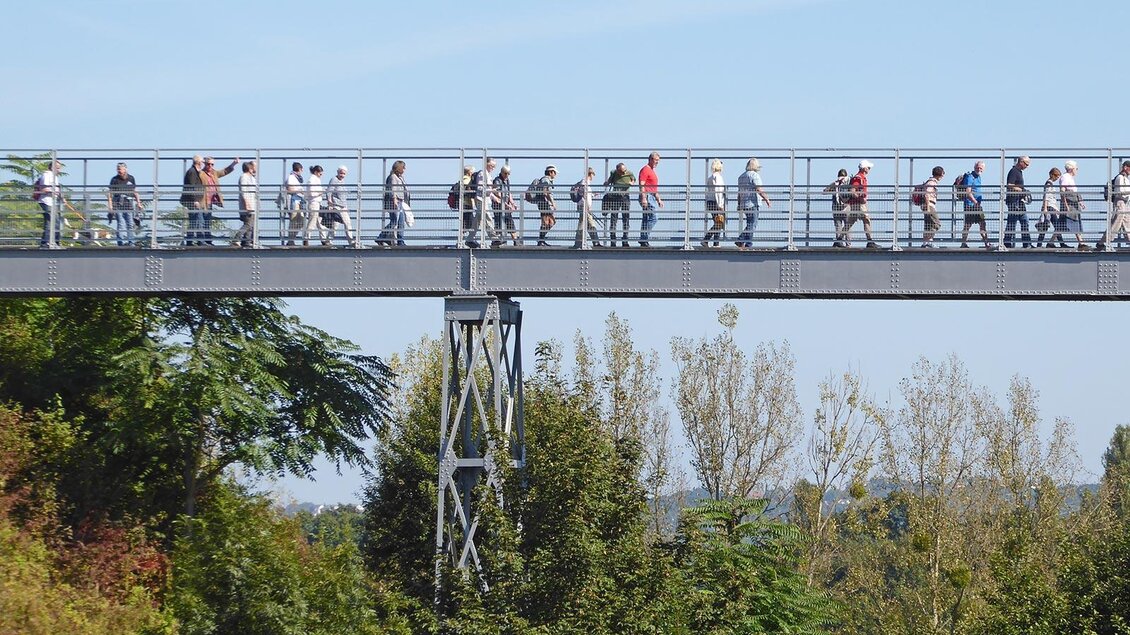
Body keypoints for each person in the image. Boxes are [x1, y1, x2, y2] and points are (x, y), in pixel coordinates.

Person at [37, 160, 79, 248]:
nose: (59, 170)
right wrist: (53, 192)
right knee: (51, 222)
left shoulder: (55, 177)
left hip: (53, 202)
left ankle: (54, 242)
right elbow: (44, 189)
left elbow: (56, 189)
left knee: (56, 222)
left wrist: (61, 197)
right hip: (46, 201)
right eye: (58, 168)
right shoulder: (46, 175)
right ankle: (46, 243)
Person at [199, 156, 238, 246]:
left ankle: (208, 241)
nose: (210, 166)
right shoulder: (201, 173)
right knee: (202, 221)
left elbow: (224, 171)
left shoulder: (214, 173)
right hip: (203, 200)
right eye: (208, 164)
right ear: (205, 164)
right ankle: (201, 241)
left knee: (207, 221)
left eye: (212, 164)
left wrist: (233, 164)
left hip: (210, 201)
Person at [841, 160, 878, 249]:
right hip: (859, 204)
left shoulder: (859, 177)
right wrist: (860, 198)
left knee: (850, 222)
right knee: (866, 219)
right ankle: (870, 241)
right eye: (868, 168)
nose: (869, 169)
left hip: (855, 204)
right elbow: (852, 191)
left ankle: (839, 239)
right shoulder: (859, 178)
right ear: (864, 168)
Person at [736, 157, 771, 249]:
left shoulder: (741, 176)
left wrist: (739, 204)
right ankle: (742, 241)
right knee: (752, 224)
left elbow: (739, 192)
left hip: (744, 203)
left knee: (750, 223)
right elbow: (759, 189)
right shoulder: (755, 175)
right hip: (752, 203)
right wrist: (766, 198)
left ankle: (746, 243)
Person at [106, 162, 142, 247]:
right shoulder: (114, 179)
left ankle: (131, 242)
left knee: (130, 223)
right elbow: (110, 193)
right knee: (120, 224)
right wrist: (110, 206)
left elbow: (135, 191)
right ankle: (120, 242)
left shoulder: (131, 178)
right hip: (117, 203)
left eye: (120, 169)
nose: (119, 171)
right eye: (118, 169)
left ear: (125, 169)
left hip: (128, 203)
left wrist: (139, 203)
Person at [1097, 160, 1130, 251]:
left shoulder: (1125, 178)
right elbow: (1120, 192)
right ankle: (1102, 242)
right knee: (1116, 223)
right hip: (1120, 202)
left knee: (1127, 223)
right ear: (1125, 167)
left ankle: (1102, 242)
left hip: (1125, 203)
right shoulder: (1120, 177)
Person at [958, 161, 991, 249]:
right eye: (977, 167)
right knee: (968, 224)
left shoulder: (978, 177)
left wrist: (977, 203)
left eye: (981, 168)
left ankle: (987, 243)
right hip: (970, 205)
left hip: (978, 206)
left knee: (982, 223)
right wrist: (975, 202)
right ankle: (963, 243)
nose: (979, 169)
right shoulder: (970, 177)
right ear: (974, 167)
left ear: (983, 169)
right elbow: (968, 192)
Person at [1059, 160, 1090, 251]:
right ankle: (1081, 242)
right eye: (1076, 168)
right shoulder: (1065, 177)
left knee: (1062, 224)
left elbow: (1074, 191)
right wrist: (1065, 204)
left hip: (1073, 204)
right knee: (1073, 222)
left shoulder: (1070, 178)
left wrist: (1080, 201)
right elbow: (1062, 191)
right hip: (1069, 205)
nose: (1077, 170)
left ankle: (1051, 242)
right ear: (1071, 169)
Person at [603, 162, 634, 247]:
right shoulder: (614, 173)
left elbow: (633, 180)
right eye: (622, 171)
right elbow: (609, 181)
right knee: (613, 219)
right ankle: (613, 240)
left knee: (626, 218)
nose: (624, 173)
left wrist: (632, 183)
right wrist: (607, 183)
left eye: (625, 170)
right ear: (618, 170)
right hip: (615, 197)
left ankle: (625, 240)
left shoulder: (629, 173)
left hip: (625, 197)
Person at [469, 158, 498, 248]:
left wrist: (494, 197)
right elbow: (480, 188)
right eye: (491, 165)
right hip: (481, 199)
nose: (493, 168)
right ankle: (494, 239)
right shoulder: (483, 174)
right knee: (487, 217)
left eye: (494, 166)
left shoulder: (487, 175)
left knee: (478, 220)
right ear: (486, 164)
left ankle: (470, 239)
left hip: (484, 200)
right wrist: (492, 190)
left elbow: (486, 190)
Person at [1004, 155, 1032, 249]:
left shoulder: (1019, 172)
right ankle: (1007, 242)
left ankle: (1026, 243)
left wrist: (1023, 192)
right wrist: (1022, 190)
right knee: (1013, 222)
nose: (1027, 166)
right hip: (1014, 201)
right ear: (1021, 162)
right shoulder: (1014, 171)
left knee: (1024, 221)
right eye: (1026, 164)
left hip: (1019, 201)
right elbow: (1009, 185)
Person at [378, 161, 408, 247]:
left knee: (401, 222)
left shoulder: (400, 177)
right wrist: (394, 199)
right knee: (394, 221)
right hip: (395, 202)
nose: (405, 169)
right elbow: (393, 189)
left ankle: (400, 240)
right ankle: (381, 237)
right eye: (403, 168)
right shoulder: (393, 177)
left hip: (400, 201)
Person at [325, 165, 356, 247]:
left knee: (344, 223)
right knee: (339, 223)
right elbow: (329, 191)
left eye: (344, 174)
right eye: (341, 173)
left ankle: (350, 241)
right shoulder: (334, 180)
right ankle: (329, 240)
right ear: (338, 172)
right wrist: (329, 202)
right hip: (336, 205)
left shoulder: (342, 181)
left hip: (343, 205)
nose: (342, 175)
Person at [637, 152, 663, 247]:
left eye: (658, 160)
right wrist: (644, 198)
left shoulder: (652, 171)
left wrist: (658, 199)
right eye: (656, 160)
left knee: (646, 218)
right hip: (647, 196)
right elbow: (642, 185)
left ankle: (643, 239)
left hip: (651, 196)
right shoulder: (645, 170)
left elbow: (654, 188)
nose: (657, 162)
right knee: (653, 217)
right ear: (651, 159)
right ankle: (644, 238)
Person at [573, 166, 602, 248]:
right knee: (589, 224)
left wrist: (592, 195)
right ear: (590, 174)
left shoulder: (583, 183)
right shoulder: (585, 183)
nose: (593, 177)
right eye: (592, 175)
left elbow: (584, 194)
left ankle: (579, 242)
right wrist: (587, 206)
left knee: (585, 224)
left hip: (583, 206)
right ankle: (595, 242)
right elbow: (584, 195)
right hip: (584, 207)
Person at [180, 155, 205, 245]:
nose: (203, 163)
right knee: (199, 221)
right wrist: (195, 200)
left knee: (195, 222)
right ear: (198, 162)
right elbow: (191, 186)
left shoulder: (195, 171)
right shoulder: (192, 172)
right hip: (193, 201)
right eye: (202, 161)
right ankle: (199, 241)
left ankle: (191, 241)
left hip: (194, 201)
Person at [491, 164, 519, 246]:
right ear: (502, 172)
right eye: (505, 173)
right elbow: (497, 194)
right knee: (499, 223)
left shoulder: (507, 181)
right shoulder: (497, 181)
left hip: (506, 206)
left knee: (510, 222)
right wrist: (506, 204)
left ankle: (516, 240)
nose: (507, 175)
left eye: (508, 174)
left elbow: (508, 193)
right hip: (498, 206)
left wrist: (512, 203)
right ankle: (498, 240)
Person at [918, 166, 944, 247]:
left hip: (926, 204)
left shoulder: (929, 181)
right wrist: (928, 207)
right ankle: (929, 241)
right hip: (929, 204)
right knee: (936, 223)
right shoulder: (932, 182)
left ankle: (925, 243)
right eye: (943, 174)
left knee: (928, 225)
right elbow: (927, 194)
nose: (943, 176)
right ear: (940, 174)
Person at [1037, 166, 1063, 248]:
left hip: (1051, 207)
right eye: (1056, 176)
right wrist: (1045, 208)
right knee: (1057, 226)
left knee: (1047, 226)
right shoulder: (1049, 184)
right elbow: (1046, 196)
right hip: (1049, 207)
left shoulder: (1050, 184)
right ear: (1052, 175)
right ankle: (1060, 243)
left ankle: (1039, 245)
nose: (1057, 178)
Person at [823, 168, 850, 247]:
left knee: (838, 225)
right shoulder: (849, 184)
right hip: (846, 208)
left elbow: (824, 191)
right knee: (848, 226)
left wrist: (832, 190)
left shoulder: (835, 184)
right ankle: (848, 244)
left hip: (836, 208)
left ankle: (839, 242)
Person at [234, 160, 257, 247]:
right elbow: (243, 191)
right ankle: (237, 238)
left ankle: (247, 241)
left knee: (251, 225)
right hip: (247, 205)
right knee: (248, 224)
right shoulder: (244, 177)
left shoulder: (251, 178)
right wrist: (247, 204)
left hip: (252, 205)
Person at [703, 159, 726, 247]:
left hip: (710, 201)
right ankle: (708, 240)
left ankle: (715, 242)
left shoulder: (710, 178)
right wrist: (720, 205)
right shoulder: (718, 177)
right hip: (716, 202)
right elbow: (718, 191)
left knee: (718, 222)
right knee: (719, 222)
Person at [535, 165, 557, 247]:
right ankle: (541, 240)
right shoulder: (545, 180)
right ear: (551, 172)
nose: (555, 175)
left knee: (551, 222)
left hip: (544, 203)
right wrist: (552, 202)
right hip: (543, 203)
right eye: (554, 172)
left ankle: (541, 239)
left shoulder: (547, 180)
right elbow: (545, 192)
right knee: (546, 222)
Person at [285, 162, 304, 246]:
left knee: (301, 221)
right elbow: (289, 189)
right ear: (299, 169)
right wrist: (299, 191)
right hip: (293, 201)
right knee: (294, 220)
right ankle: (290, 240)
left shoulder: (295, 178)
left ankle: (292, 238)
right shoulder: (291, 177)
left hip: (298, 201)